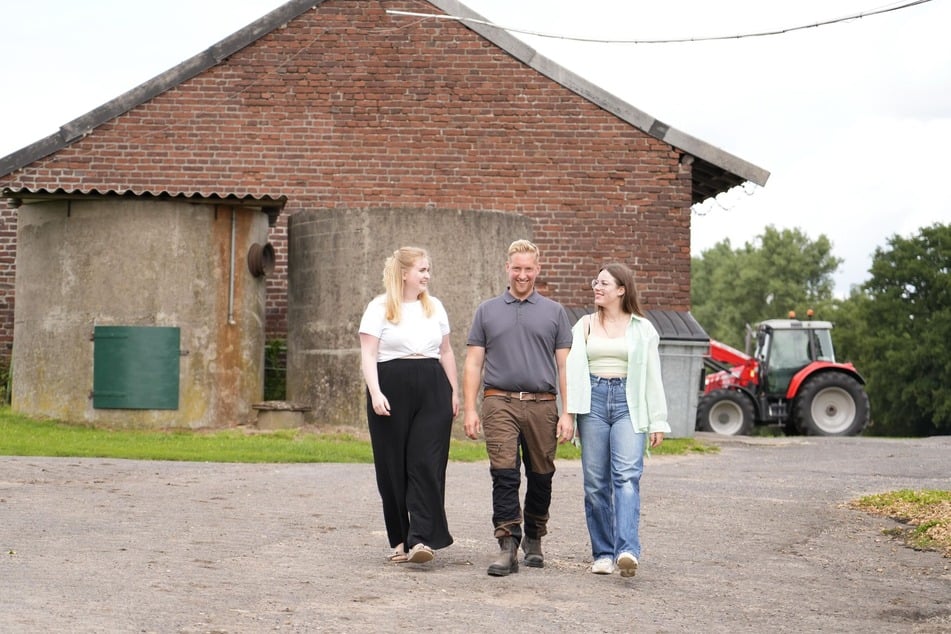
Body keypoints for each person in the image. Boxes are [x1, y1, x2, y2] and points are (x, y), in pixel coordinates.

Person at [463, 239, 574, 577]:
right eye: (517, 268)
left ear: (537, 270)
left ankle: (535, 537)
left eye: (528, 269)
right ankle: (507, 543)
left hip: (542, 405)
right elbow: (473, 363)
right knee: (504, 474)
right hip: (499, 401)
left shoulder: (555, 312)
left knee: (542, 475)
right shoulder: (487, 310)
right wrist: (470, 408)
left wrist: (567, 412)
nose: (522, 275)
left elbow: (565, 366)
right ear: (506, 269)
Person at [566, 263, 670, 577]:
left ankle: (626, 550)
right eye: (595, 282)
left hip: (629, 403)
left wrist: (657, 420)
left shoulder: (643, 328)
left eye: (604, 283)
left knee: (626, 478)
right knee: (596, 483)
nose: (597, 288)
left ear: (621, 290)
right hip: (593, 403)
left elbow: (653, 375)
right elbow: (572, 371)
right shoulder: (583, 325)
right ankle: (602, 553)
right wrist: (569, 413)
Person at [359, 247, 459, 565]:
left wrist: (453, 392)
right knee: (392, 467)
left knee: (425, 463)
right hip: (391, 385)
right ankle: (401, 540)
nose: (427, 276)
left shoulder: (435, 308)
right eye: (422, 270)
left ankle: (422, 539)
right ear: (404, 273)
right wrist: (375, 392)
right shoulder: (379, 308)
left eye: (428, 270)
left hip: (433, 386)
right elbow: (368, 354)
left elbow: (446, 352)